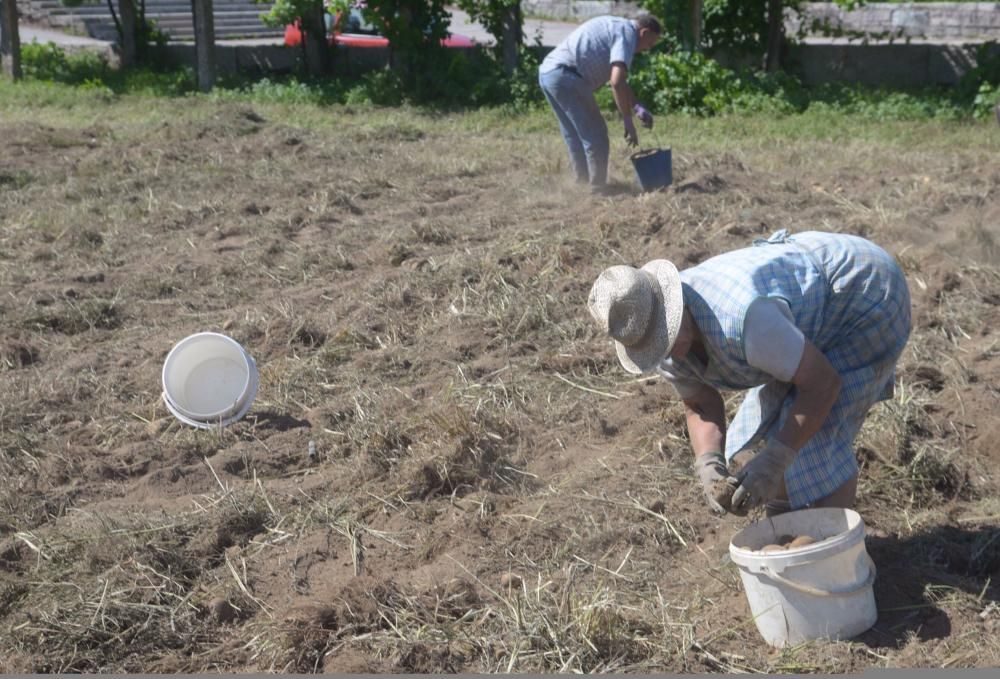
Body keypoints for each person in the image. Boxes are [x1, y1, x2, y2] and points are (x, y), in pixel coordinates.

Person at [586, 230, 911, 516]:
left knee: (818, 438)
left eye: (668, 335)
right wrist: (709, 464)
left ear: (676, 303)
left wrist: (776, 458)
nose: (669, 353)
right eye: (657, 347)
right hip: (800, 314)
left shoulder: (746, 321)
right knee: (782, 429)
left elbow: (823, 385)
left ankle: (832, 552)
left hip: (864, 290)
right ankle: (786, 525)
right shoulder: (645, 328)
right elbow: (700, 403)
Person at [538, 15, 662, 192]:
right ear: (644, 32)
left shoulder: (618, 26)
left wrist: (637, 107)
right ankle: (598, 189)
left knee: (574, 134)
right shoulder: (627, 35)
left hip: (549, 74)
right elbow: (616, 82)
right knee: (596, 134)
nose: (646, 49)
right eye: (649, 44)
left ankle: (581, 184)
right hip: (567, 77)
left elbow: (621, 81)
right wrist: (627, 120)